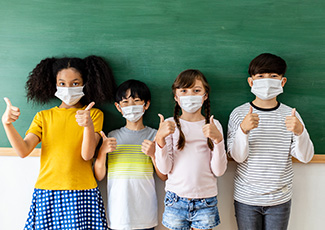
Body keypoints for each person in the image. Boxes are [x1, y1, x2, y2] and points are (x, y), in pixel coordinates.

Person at [2, 56, 116, 230]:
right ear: (54, 84)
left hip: (82, 191)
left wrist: (87, 125)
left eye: (75, 83)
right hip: (47, 190)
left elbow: (87, 155)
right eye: (62, 84)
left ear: (85, 84)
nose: (68, 88)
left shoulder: (94, 115)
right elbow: (23, 151)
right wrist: (7, 124)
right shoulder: (43, 117)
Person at [227, 53, 314, 230]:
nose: (267, 81)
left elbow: (305, 157)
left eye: (273, 76)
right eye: (260, 76)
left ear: (283, 82)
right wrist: (243, 131)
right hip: (247, 198)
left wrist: (300, 132)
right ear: (251, 82)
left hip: (280, 198)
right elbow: (237, 157)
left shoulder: (292, 115)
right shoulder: (238, 114)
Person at [154, 69, 227, 230]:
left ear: (205, 95)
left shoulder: (214, 125)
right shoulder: (169, 125)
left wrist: (218, 140)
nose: (190, 95)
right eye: (184, 91)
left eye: (196, 90)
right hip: (175, 199)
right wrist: (160, 140)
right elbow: (165, 169)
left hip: (205, 200)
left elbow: (219, 170)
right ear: (176, 97)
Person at [94, 79, 167, 230]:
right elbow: (99, 176)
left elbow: (163, 176)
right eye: (125, 102)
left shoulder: (154, 135)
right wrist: (102, 152)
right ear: (118, 107)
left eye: (137, 101)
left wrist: (154, 155)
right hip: (118, 215)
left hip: (145, 215)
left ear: (146, 104)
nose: (131, 106)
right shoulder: (112, 136)